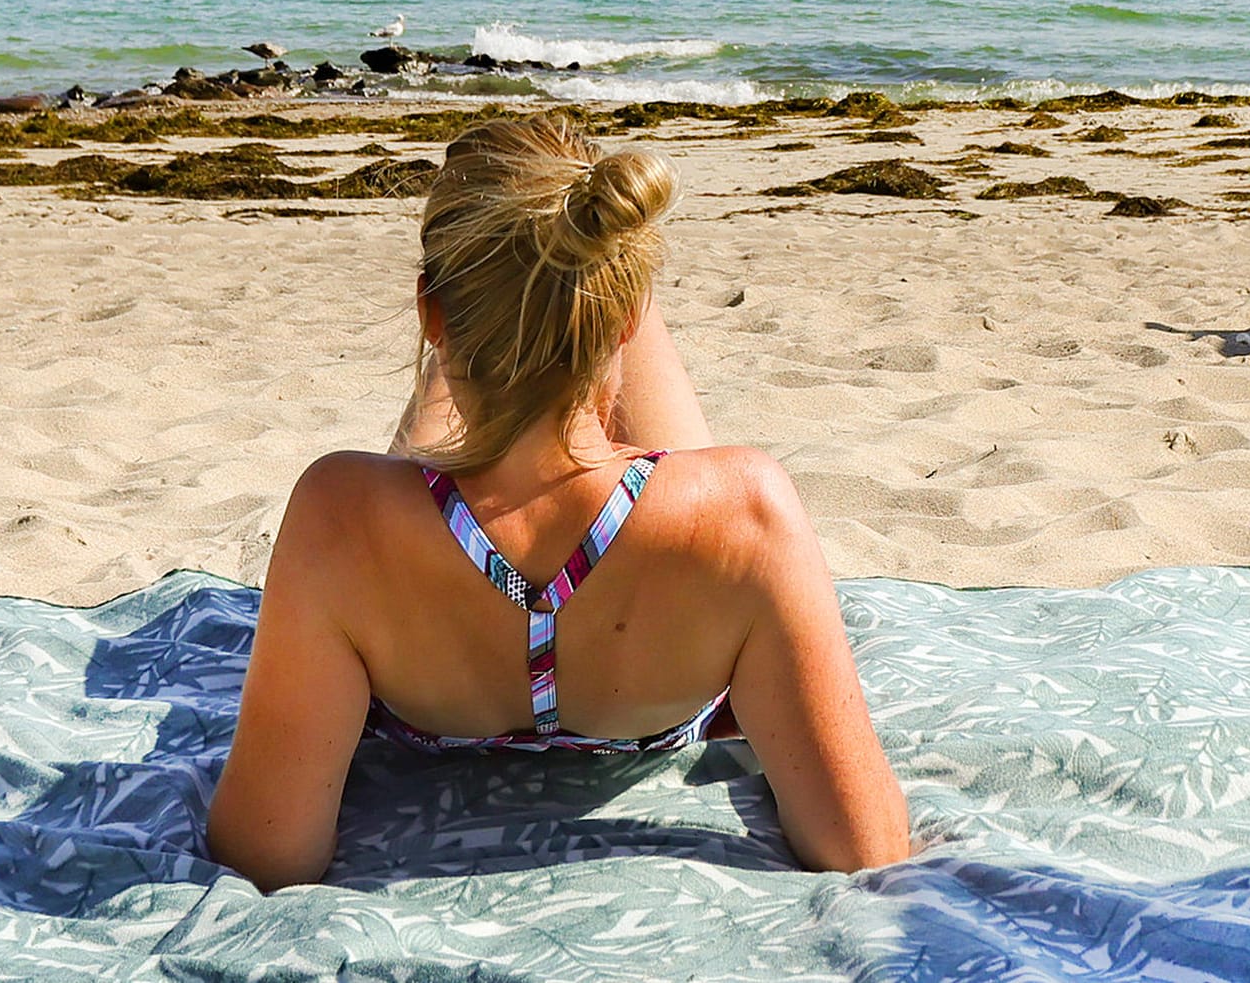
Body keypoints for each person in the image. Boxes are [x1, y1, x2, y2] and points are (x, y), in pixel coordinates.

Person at [207, 115, 909, 891]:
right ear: (631, 323)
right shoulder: (745, 516)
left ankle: (508, 336)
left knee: (484, 388)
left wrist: (478, 337)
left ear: (426, 313)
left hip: (430, 618)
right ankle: (564, 320)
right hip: (648, 630)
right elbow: (864, 844)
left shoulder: (338, 517)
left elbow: (265, 852)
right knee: (576, 325)